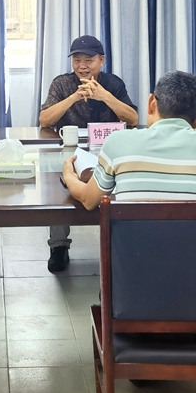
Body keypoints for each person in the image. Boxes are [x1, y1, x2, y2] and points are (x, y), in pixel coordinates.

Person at [61, 70, 196, 209]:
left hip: (133, 243)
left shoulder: (118, 142)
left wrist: (69, 176)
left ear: (151, 103)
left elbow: (89, 200)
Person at [39, 35, 139, 272]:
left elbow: (133, 119)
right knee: (58, 189)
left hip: (107, 153)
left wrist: (104, 96)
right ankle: (59, 246)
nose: (82, 66)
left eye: (88, 60)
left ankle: (120, 243)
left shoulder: (113, 83)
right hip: (70, 152)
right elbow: (44, 120)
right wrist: (74, 96)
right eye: (77, 60)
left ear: (101, 60)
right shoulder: (61, 83)